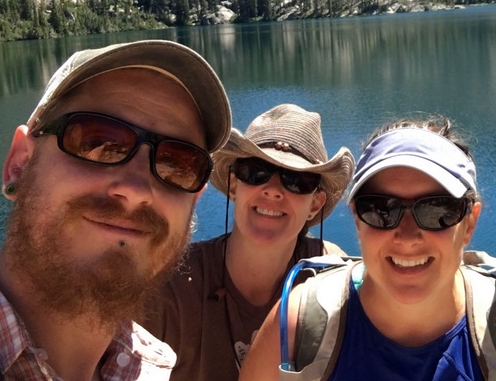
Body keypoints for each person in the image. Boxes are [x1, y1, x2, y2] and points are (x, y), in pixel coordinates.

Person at [241, 117, 496, 381]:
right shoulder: (298, 325)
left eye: (436, 210)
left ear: (470, 223)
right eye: (380, 209)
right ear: (357, 219)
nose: (407, 235)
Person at [0, 40, 231, 380]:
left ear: (194, 201)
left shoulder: (152, 370)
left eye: (177, 164)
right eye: (97, 142)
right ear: (19, 164)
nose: (136, 190)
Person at [142, 103, 355, 380]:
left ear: (315, 204)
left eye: (296, 180)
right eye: (256, 172)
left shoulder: (334, 281)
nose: (273, 191)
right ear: (234, 186)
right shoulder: (171, 286)